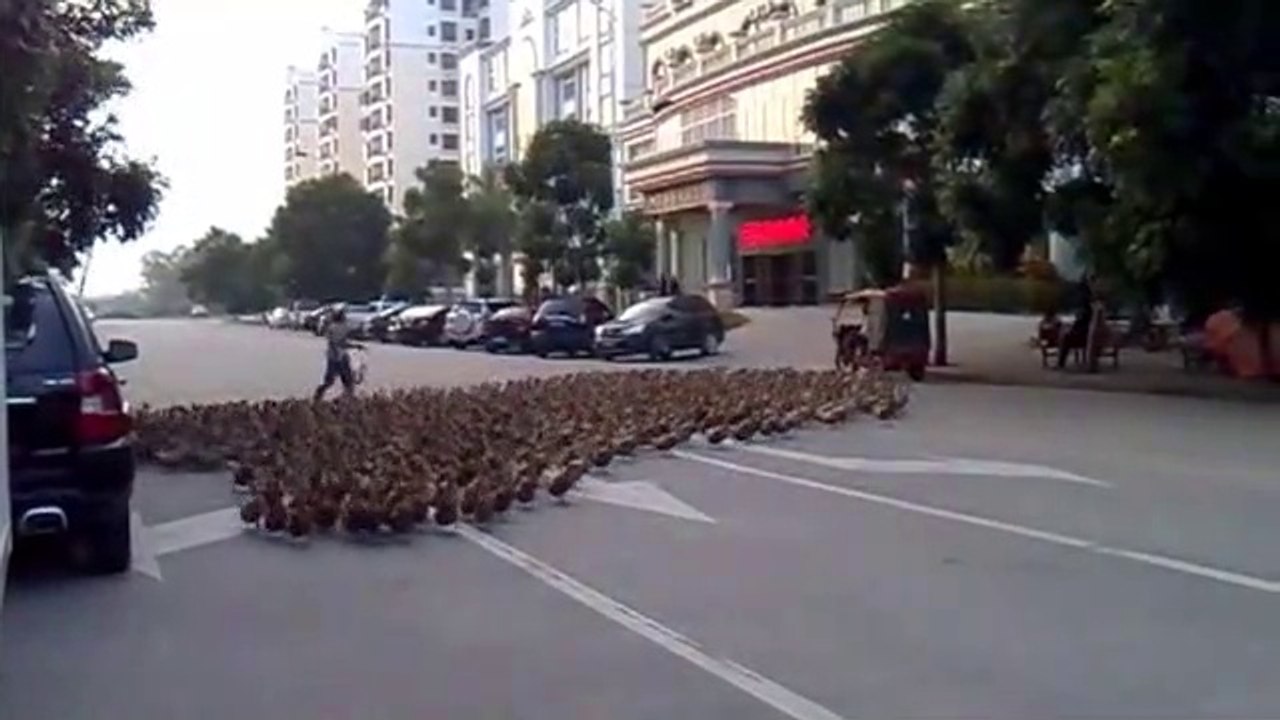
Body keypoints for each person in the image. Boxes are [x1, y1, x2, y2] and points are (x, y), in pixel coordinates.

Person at [313, 307, 363, 401]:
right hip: (335, 357)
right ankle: (319, 395)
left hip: (339, 356)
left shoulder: (337, 327)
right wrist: (338, 352)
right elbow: (334, 342)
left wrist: (355, 346)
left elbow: (342, 342)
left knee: (344, 380)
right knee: (335, 380)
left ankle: (347, 398)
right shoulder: (335, 328)